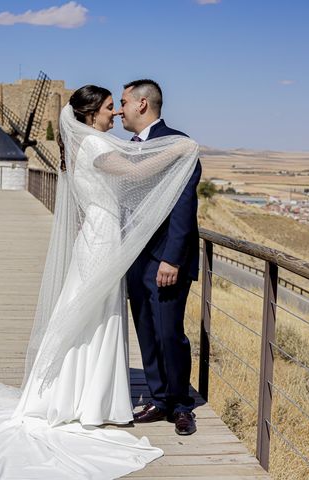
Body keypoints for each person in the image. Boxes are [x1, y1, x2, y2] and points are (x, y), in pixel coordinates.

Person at [0, 85, 199, 479]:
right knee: (92, 317)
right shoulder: (94, 147)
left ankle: (93, 397)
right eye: (109, 108)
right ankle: (85, 399)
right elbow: (137, 170)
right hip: (102, 239)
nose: (115, 115)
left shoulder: (88, 145)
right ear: (90, 115)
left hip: (101, 238)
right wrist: (183, 149)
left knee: (93, 317)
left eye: (117, 106)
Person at [117, 79, 202, 435]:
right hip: (134, 256)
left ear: (141, 104)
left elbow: (184, 205)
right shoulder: (126, 147)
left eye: (122, 102)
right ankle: (158, 397)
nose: (119, 110)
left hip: (166, 257)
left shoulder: (179, 144)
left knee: (170, 333)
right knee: (146, 331)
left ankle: (181, 405)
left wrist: (172, 258)